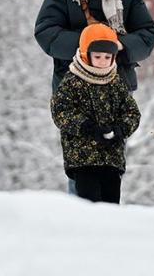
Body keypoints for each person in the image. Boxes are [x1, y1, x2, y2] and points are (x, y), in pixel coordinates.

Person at [35, 0, 154, 192]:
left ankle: (108, 229)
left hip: (115, 90)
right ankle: (81, 226)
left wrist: (119, 46)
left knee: (110, 169)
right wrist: (88, 44)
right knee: (80, 167)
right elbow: (45, 32)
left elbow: (149, 33)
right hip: (74, 90)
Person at [51, 24, 141, 203]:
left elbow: (131, 112)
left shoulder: (116, 83)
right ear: (86, 54)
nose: (102, 61)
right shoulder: (73, 81)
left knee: (111, 205)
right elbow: (60, 110)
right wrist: (87, 128)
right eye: (97, 56)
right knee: (89, 204)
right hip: (83, 159)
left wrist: (121, 128)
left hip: (111, 160)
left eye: (107, 57)